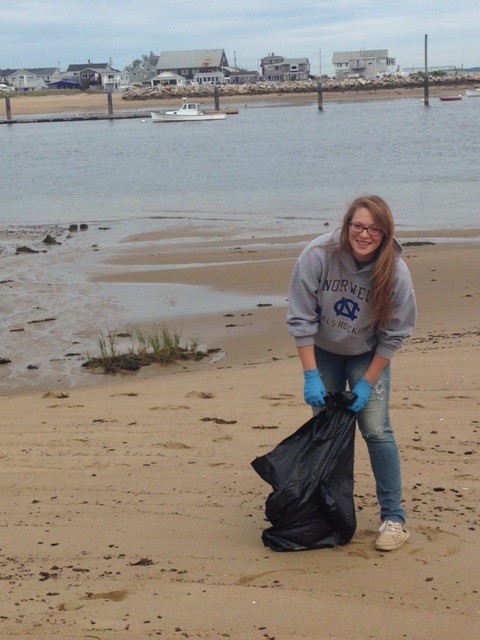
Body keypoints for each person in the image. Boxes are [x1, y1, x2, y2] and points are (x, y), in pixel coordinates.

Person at [286, 195, 416, 551]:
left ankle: (393, 518)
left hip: (367, 353)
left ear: (385, 233)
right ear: (346, 226)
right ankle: (330, 511)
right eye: (358, 226)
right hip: (324, 351)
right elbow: (300, 318)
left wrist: (366, 383)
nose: (364, 234)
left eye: (374, 229)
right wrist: (309, 374)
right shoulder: (318, 255)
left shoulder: (395, 272)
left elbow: (395, 334)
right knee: (327, 432)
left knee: (376, 430)